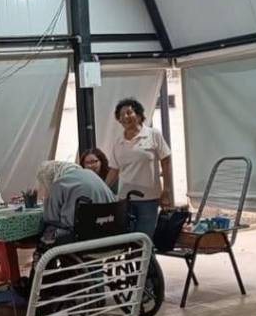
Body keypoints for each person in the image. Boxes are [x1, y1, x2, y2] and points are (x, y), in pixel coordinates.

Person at [106, 97, 172, 237]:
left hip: (149, 198)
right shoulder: (118, 142)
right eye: (121, 115)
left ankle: (146, 253)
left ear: (139, 115)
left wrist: (166, 189)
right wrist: (103, 188)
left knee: (144, 237)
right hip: (125, 199)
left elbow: (166, 161)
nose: (125, 117)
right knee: (126, 238)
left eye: (129, 112)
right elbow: (114, 170)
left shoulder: (153, 134)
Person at [38, 160, 116, 246]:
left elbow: (50, 218)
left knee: (47, 232)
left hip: (81, 239)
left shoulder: (59, 183)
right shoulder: (91, 174)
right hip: (110, 236)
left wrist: (47, 201)